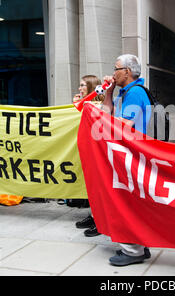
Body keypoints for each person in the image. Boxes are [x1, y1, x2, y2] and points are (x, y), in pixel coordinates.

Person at [101, 54, 151, 266]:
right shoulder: (127, 92)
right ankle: (140, 246)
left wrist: (97, 118)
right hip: (130, 154)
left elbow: (121, 125)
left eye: (116, 68)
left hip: (132, 155)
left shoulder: (134, 93)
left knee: (128, 203)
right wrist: (109, 93)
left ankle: (132, 251)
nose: (113, 73)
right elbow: (107, 112)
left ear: (127, 72)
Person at [73, 75, 104, 237]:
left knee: (98, 187)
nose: (80, 88)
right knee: (91, 186)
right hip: (88, 149)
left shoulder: (97, 103)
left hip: (96, 150)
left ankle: (100, 221)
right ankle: (94, 216)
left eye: (83, 85)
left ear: (92, 87)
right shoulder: (90, 102)